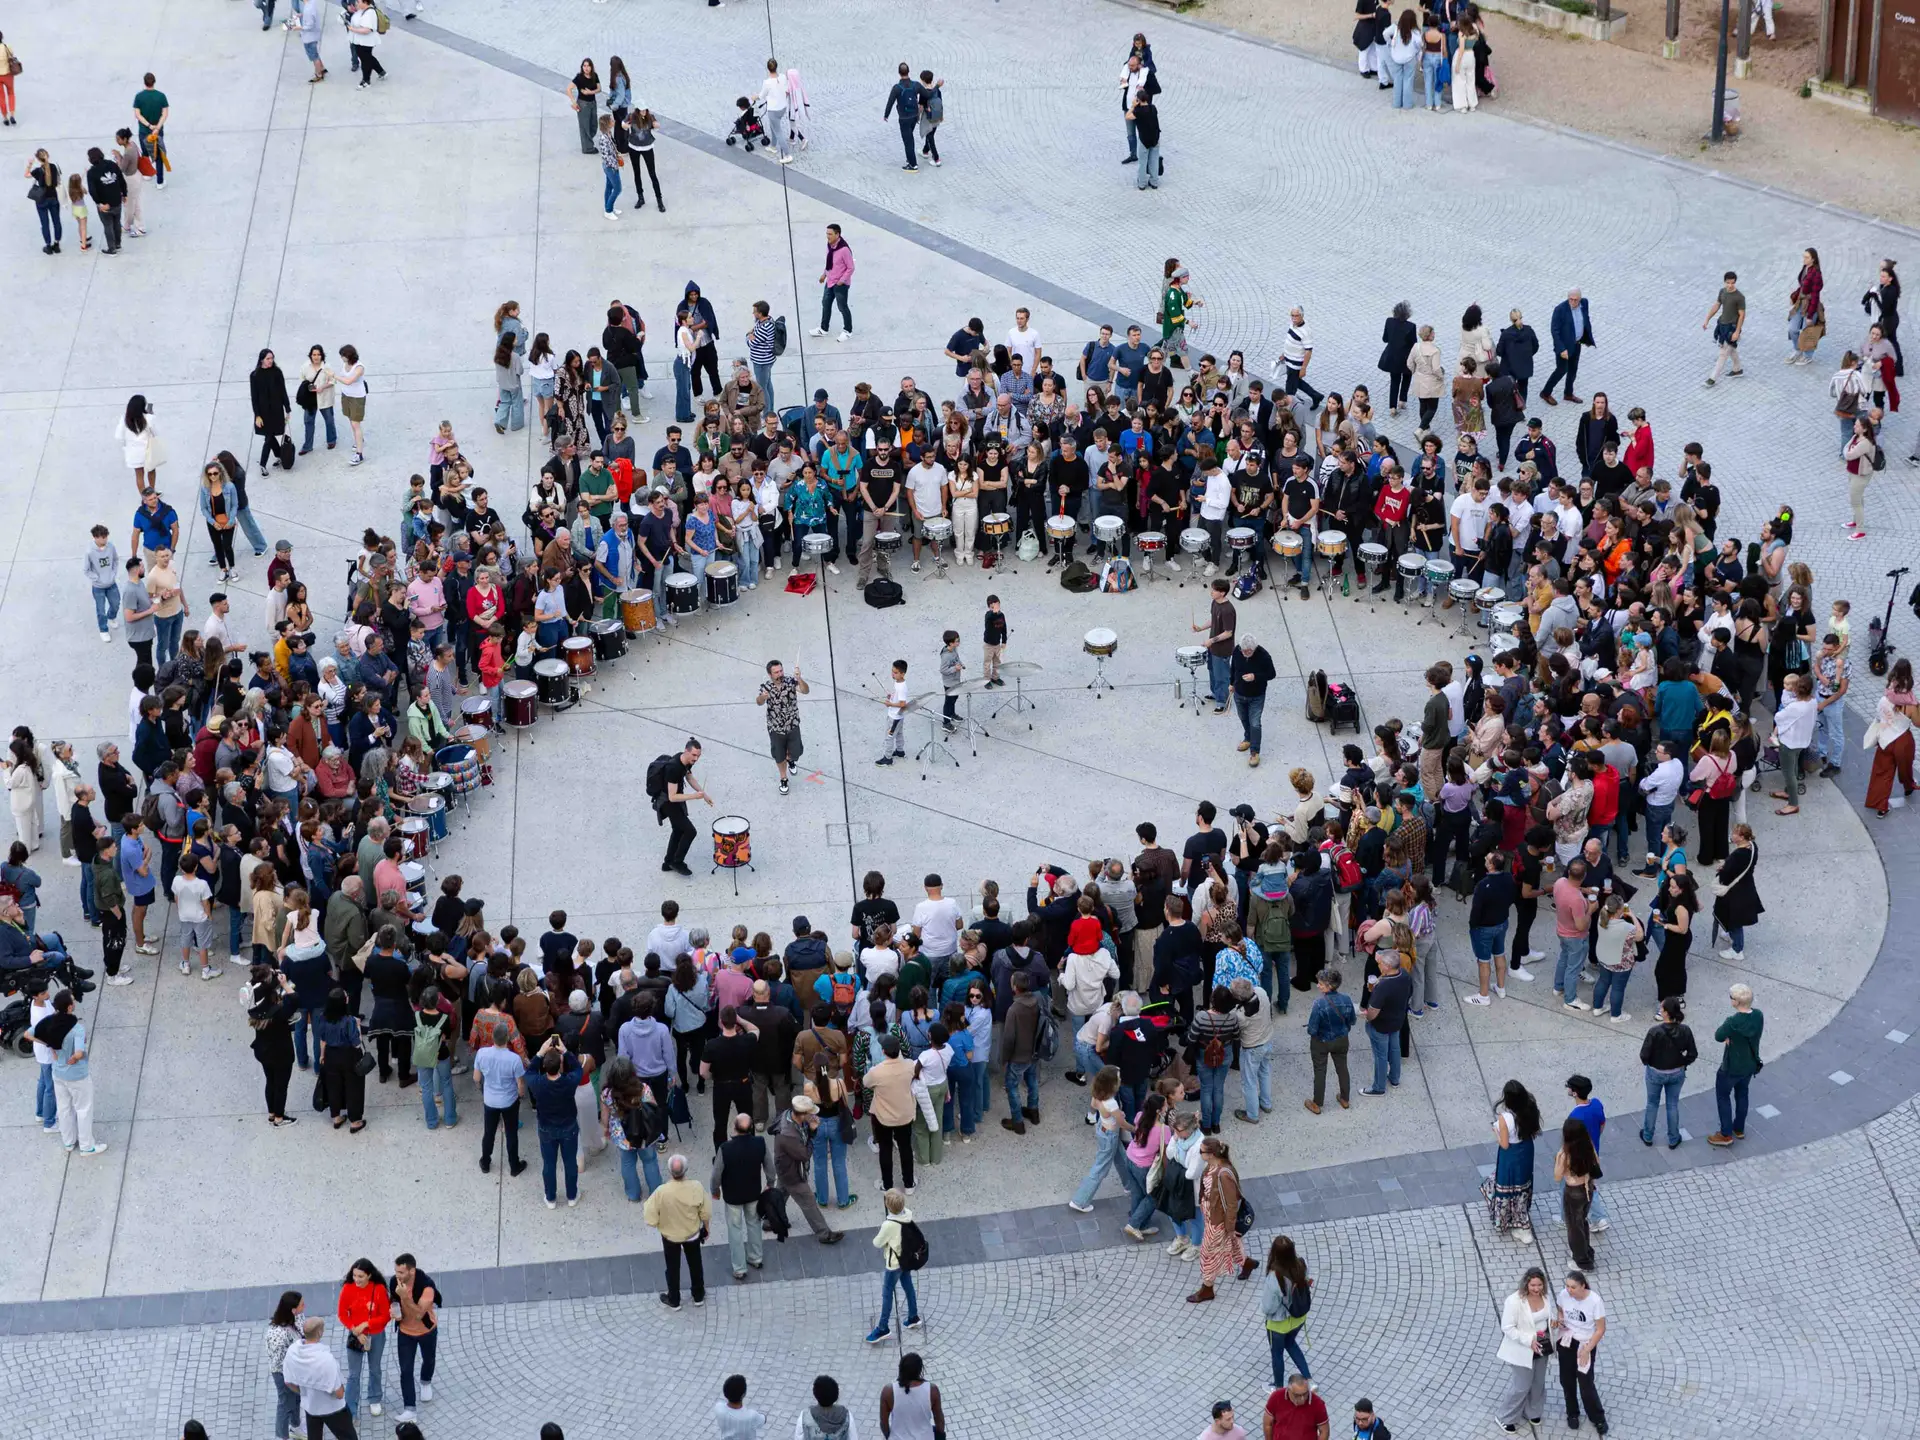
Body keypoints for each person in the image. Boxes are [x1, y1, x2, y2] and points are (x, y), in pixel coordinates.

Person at [711, 1111, 775, 1279]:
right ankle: (756, 1257)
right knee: (753, 1224)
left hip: (732, 1196)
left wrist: (715, 1191)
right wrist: (770, 1183)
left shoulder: (725, 1148)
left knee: (735, 1230)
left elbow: (716, 1174)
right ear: (751, 1128)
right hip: (753, 1193)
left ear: (734, 1127)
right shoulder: (760, 1143)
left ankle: (739, 1268)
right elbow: (770, 1166)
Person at [644, 1151, 712, 1309]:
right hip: (692, 1234)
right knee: (695, 1264)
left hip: (670, 1237)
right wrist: (706, 1228)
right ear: (685, 1170)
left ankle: (674, 1299)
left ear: (670, 1171)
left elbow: (649, 1216)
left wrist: (659, 1223)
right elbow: (706, 1211)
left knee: (672, 1267)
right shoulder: (696, 1187)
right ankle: (698, 1295)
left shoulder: (661, 1192)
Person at [1496, 1267, 1557, 1433]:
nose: (1537, 1289)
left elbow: (1547, 1316)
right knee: (1521, 1386)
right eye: (1533, 1285)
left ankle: (1532, 1411)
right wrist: (1528, 1340)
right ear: (1526, 1284)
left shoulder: (1545, 1296)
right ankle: (1505, 1416)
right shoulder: (1514, 1301)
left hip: (1542, 1346)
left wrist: (1552, 1323)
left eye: (1539, 1285)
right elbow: (1507, 1327)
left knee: (1538, 1383)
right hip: (1522, 1348)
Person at [281, 1317, 356, 1440]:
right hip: (333, 1409)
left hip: (311, 1407)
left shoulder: (293, 1351)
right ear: (320, 1333)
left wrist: (303, 1392)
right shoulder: (326, 1360)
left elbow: (288, 1382)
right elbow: (339, 1393)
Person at [1708, 982, 1764, 1147]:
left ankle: (1725, 1134)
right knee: (1742, 1094)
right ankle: (1739, 1128)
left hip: (1731, 1066)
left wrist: (1728, 1037)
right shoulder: (1758, 1015)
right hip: (1749, 1064)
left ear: (1736, 1002)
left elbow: (1718, 1035)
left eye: (1731, 997)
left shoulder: (1733, 1021)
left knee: (1723, 1096)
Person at [864, 1188, 922, 1343]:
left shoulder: (889, 1225)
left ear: (888, 1206)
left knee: (887, 1293)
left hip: (894, 1264)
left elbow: (877, 1243)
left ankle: (883, 1328)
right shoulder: (907, 1215)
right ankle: (913, 1316)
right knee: (908, 1287)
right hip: (906, 1260)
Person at [1639, 994, 1697, 1148]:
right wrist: (1682, 1064)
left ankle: (1648, 1135)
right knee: (1672, 1105)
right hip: (1677, 1073)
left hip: (1655, 1073)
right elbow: (1693, 1054)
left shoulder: (1654, 1031)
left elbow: (1644, 1055)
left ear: (1665, 1012)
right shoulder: (1685, 1030)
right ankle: (1673, 1138)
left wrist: (1651, 1064)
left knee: (1652, 1104)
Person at [1484, 1079, 1539, 1241]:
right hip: (1526, 1149)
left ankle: (1517, 1224)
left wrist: (1496, 1130)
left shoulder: (1505, 1118)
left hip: (1511, 1155)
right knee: (1522, 1183)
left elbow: (1505, 1144)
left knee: (1508, 1184)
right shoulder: (1530, 1108)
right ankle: (1521, 1215)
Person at [1554, 1271, 1608, 1434]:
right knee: (1567, 1380)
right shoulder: (1564, 1295)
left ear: (1583, 1285)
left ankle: (1598, 1418)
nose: (1569, 1290)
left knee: (1586, 1383)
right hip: (1567, 1341)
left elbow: (1600, 1329)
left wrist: (1587, 1350)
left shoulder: (1595, 1301)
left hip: (1585, 1342)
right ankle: (1572, 1413)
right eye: (1567, 1286)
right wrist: (1560, 1319)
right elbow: (1561, 1310)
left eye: (1573, 1287)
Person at [336, 1259, 389, 1418]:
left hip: (376, 1334)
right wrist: (356, 1332)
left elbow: (385, 1316)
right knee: (353, 1374)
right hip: (356, 1335)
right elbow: (342, 1314)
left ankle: (374, 1398)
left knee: (375, 1369)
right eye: (354, 1275)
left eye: (360, 1276)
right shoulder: (347, 1288)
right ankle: (351, 1408)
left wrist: (366, 1323)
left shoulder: (378, 1289)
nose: (356, 1279)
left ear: (369, 1275)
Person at [387, 1253, 438, 1420]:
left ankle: (425, 1381)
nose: (397, 1276)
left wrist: (405, 1297)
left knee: (429, 1359)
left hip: (426, 1331)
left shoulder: (427, 1286)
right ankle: (410, 1410)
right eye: (396, 1271)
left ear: (412, 1271)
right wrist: (396, 1313)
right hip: (405, 1333)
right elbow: (394, 1302)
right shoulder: (395, 1282)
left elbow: (419, 1314)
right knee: (406, 1370)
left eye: (401, 1272)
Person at [1259, 1235, 1312, 1389]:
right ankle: (1309, 1379)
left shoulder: (1274, 1276)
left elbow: (1269, 1307)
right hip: (1298, 1319)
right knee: (1290, 1343)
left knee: (1277, 1354)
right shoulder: (1301, 1265)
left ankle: (1278, 1387)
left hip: (1278, 1325)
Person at [656, 738, 710, 876]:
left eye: (698, 755)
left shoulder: (686, 761)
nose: (696, 758)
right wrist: (694, 796)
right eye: (694, 755)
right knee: (690, 831)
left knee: (678, 830)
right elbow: (672, 796)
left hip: (674, 800)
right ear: (686, 751)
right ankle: (677, 862)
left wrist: (703, 795)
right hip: (668, 802)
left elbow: (689, 778)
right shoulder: (673, 768)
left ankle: (668, 862)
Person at [1543, 289, 1594, 405]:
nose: (1573, 302)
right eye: (1571, 299)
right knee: (1561, 370)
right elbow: (1554, 331)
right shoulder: (1560, 309)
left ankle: (1568, 393)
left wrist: (1586, 337)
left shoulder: (1584, 303)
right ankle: (1546, 392)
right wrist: (1561, 349)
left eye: (1576, 300)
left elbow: (1585, 320)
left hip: (1577, 343)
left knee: (1573, 369)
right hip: (1564, 347)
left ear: (1580, 299)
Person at [879, 1353, 943, 1440]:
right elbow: (939, 1421)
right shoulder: (932, 1390)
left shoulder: (888, 1391)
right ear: (920, 1370)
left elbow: (884, 1423)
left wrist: (889, 1436)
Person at [1262, 1374, 1328, 1440]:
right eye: (1297, 1395)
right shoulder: (1276, 1397)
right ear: (1288, 1390)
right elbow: (1268, 1424)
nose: (1302, 1399)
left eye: (1305, 1394)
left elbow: (1324, 1431)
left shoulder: (1318, 1404)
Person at [346, 0, 386, 86]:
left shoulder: (369, 13)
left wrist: (353, 29)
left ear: (365, 2)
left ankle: (366, 80)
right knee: (368, 58)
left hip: (365, 41)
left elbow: (367, 30)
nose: (356, 3)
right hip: (360, 40)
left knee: (365, 61)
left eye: (359, 1)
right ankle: (381, 72)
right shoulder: (361, 10)